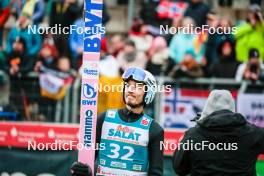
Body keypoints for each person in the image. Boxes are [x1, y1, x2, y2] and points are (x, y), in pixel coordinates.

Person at [71, 67, 164, 176]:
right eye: (128, 86)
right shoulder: (104, 118)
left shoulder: (154, 129)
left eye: (137, 87)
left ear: (148, 93)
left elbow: (156, 173)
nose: (130, 90)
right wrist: (82, 170)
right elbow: (87, 160)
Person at [172, 89, 264, 176]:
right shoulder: (254, 133)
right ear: (232, 106)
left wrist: (183, 141)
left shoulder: (192, 135)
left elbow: (180, 169)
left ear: (207, 107)